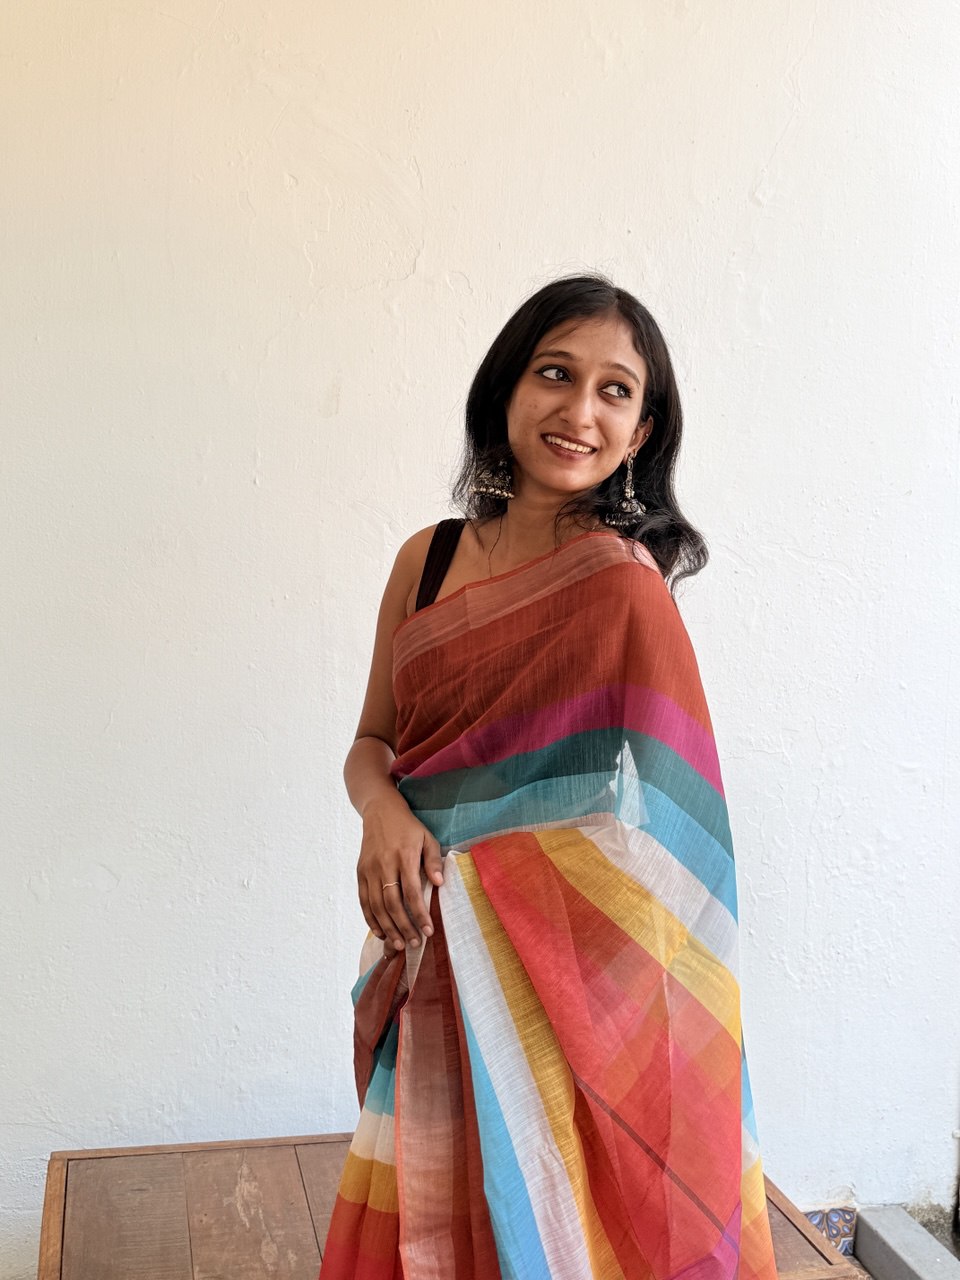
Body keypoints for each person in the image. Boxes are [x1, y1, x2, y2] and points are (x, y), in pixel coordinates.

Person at [319, 274, 779, 1279]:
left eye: (615, 390)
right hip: (420, 935)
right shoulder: (426, 560)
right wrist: (381, 810)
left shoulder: (622, 584)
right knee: (427, 1204)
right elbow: (371, 743)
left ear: (641, 431)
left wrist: (488, 882)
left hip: (553, 972)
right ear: (506, 389)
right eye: (556, 374)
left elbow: (672, 832)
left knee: (542, 1218)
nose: (580, 411)